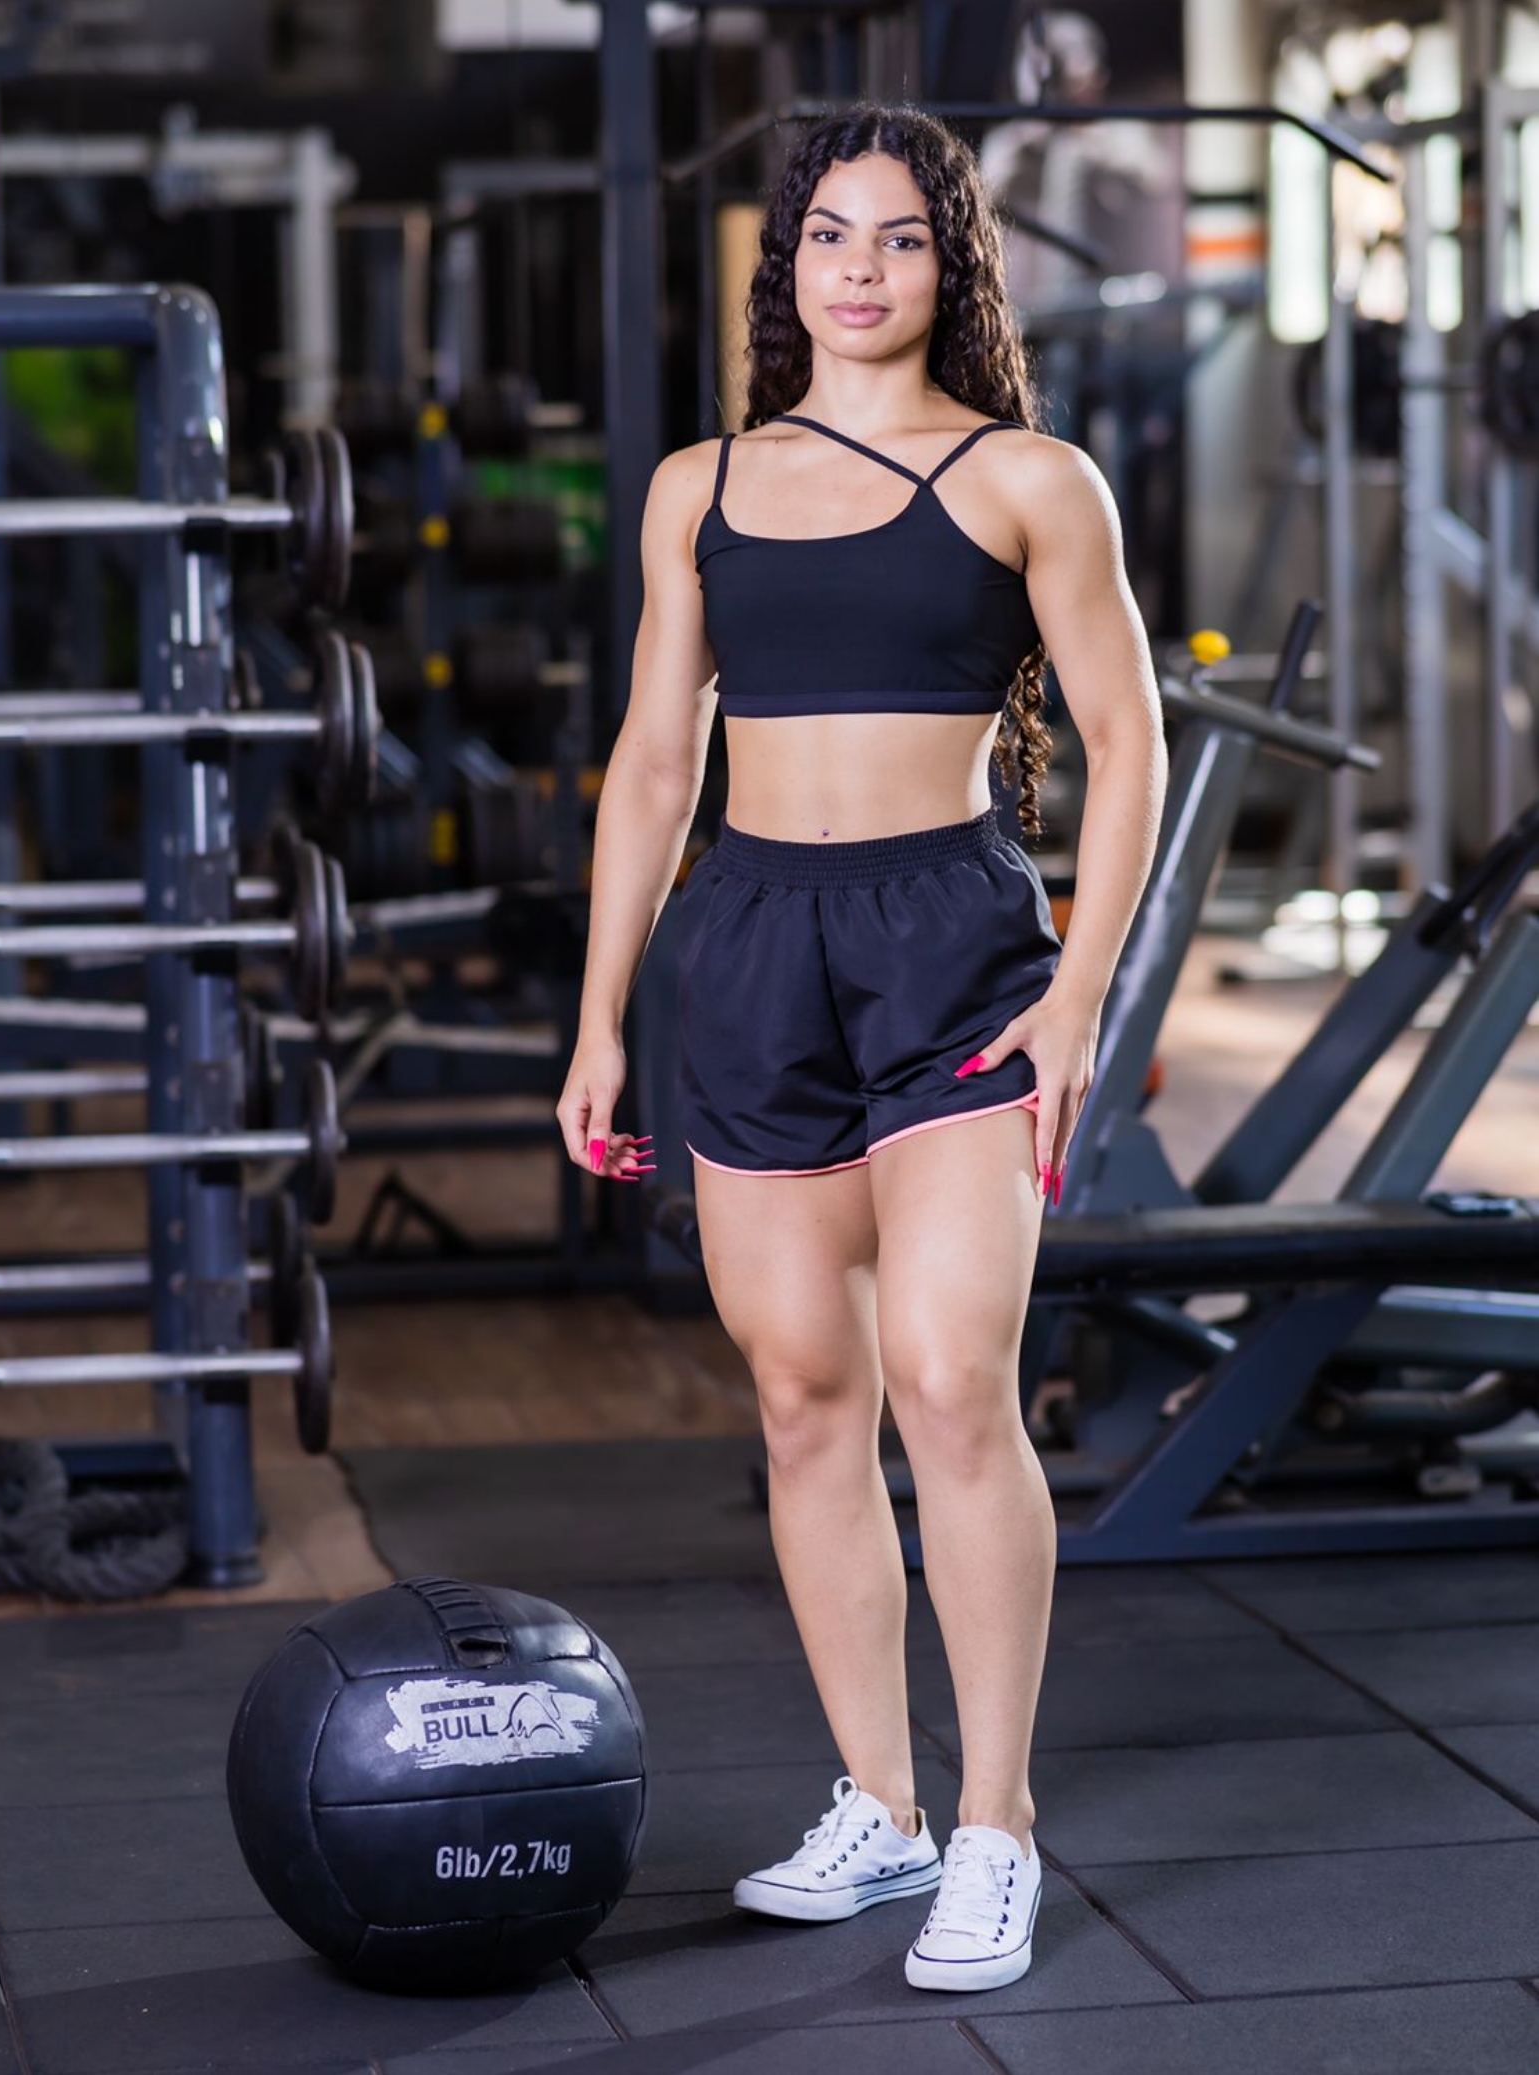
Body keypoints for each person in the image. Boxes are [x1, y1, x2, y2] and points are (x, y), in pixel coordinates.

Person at [557, 101, 1165, 1994]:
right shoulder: (697, 487)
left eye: (901, 238)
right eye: (832, 237)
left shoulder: (1030, 480)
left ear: (950, 263)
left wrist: (1080, 1000)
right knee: (807, 1399)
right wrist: (600, 1013)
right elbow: (657, 761)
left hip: (955, 952)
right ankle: (881, 1812)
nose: (863, 269)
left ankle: (998, 1827)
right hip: (744, 951)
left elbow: (1133, 744)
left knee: (948, 1380)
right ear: (787, 265)